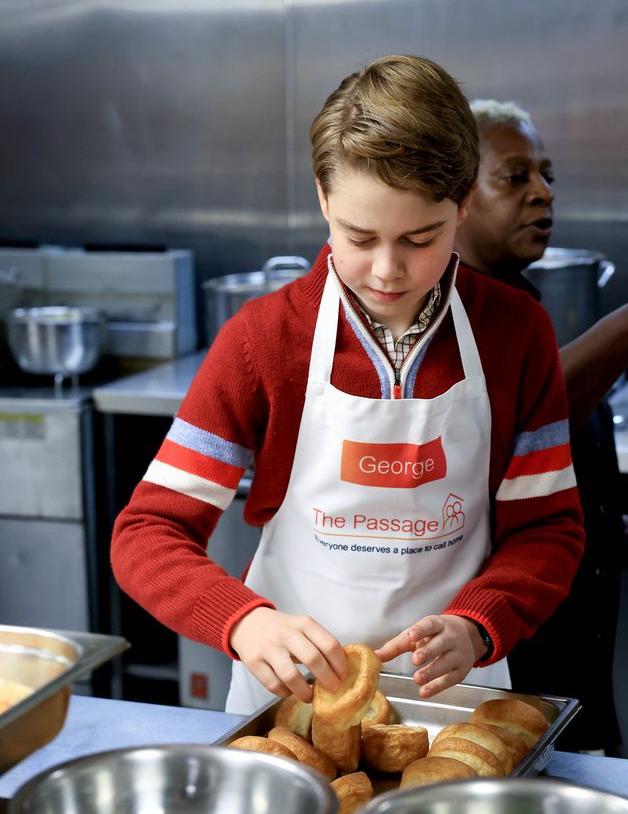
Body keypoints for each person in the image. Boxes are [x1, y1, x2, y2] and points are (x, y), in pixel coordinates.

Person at [111, 57, 584, 716]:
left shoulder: (515, 334)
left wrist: (479, 623)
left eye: (420, 238)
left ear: (462, 205)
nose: (387, 271)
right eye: (358, 237)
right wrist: (245, 622)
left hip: (452, 697)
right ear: (323, 199)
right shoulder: (265, 340)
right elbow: (148, 531)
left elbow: (549, 529)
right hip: (290, 700)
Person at [455, 99, 628, 752]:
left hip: (570, 638)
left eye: (546, 175)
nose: (541, 193)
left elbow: (542, 459)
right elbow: (517, 421)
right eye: (514, 177)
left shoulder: (519, 306)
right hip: (500, 656)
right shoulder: (439, 313)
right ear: (452, 194)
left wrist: (600, 520)